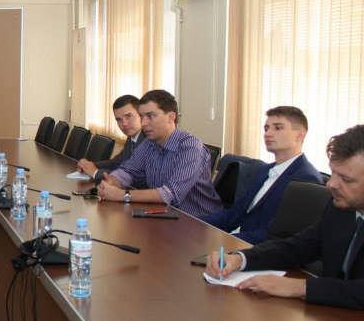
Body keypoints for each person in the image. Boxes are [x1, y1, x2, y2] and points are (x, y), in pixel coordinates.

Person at [206, 125, 364, 310]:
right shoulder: (341, 207)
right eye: (333, 173)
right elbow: (298, 247)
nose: (331, 184)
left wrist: (300, 287)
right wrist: (240, 259)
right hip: (333, 315)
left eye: (346, 179)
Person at [201, 106, 320, 244]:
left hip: (257, 250)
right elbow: (233, 214)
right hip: (236, 241)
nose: (268, 134)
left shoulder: (306, 179)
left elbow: (277, 234)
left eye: (278, 128)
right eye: (266, 128)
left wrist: (225, 241)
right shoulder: (264, 170)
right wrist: (192, 223)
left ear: (300, 135)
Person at [97, 89, 222, 217]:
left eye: (151, 116)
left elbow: (171, 194)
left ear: (171, 117)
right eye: (142, 117)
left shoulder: (191, 147)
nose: (143, 123)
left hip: (200, 221)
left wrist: (122, 195)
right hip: (165, 215)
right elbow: (128, 171)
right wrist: (111, 181)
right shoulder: (149, 144)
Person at [77, 94, 144, 179]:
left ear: (141, 115)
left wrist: (95, 172)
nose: (124, 124)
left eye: (128, 116)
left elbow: (133, 175)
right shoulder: (132, 137)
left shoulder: (148, 140)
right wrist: (91, 165)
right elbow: (115, 162)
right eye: (119, 119)